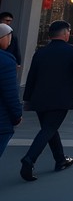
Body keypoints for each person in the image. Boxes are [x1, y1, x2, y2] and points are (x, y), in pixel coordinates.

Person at [20, 20, 73, 182]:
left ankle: (60, 160)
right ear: (65, 34)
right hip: (60, 98)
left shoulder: (40, 53)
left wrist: (27, 98)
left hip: (39, 98)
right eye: (68, 32)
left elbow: (31, 76)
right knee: (49, 128)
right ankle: (29, 159)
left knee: (49, 128)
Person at [0, 23, 23, 160]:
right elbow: (10, 93)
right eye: (9, 36)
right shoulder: (6, 61)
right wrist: (17, 115)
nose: (10, 40)